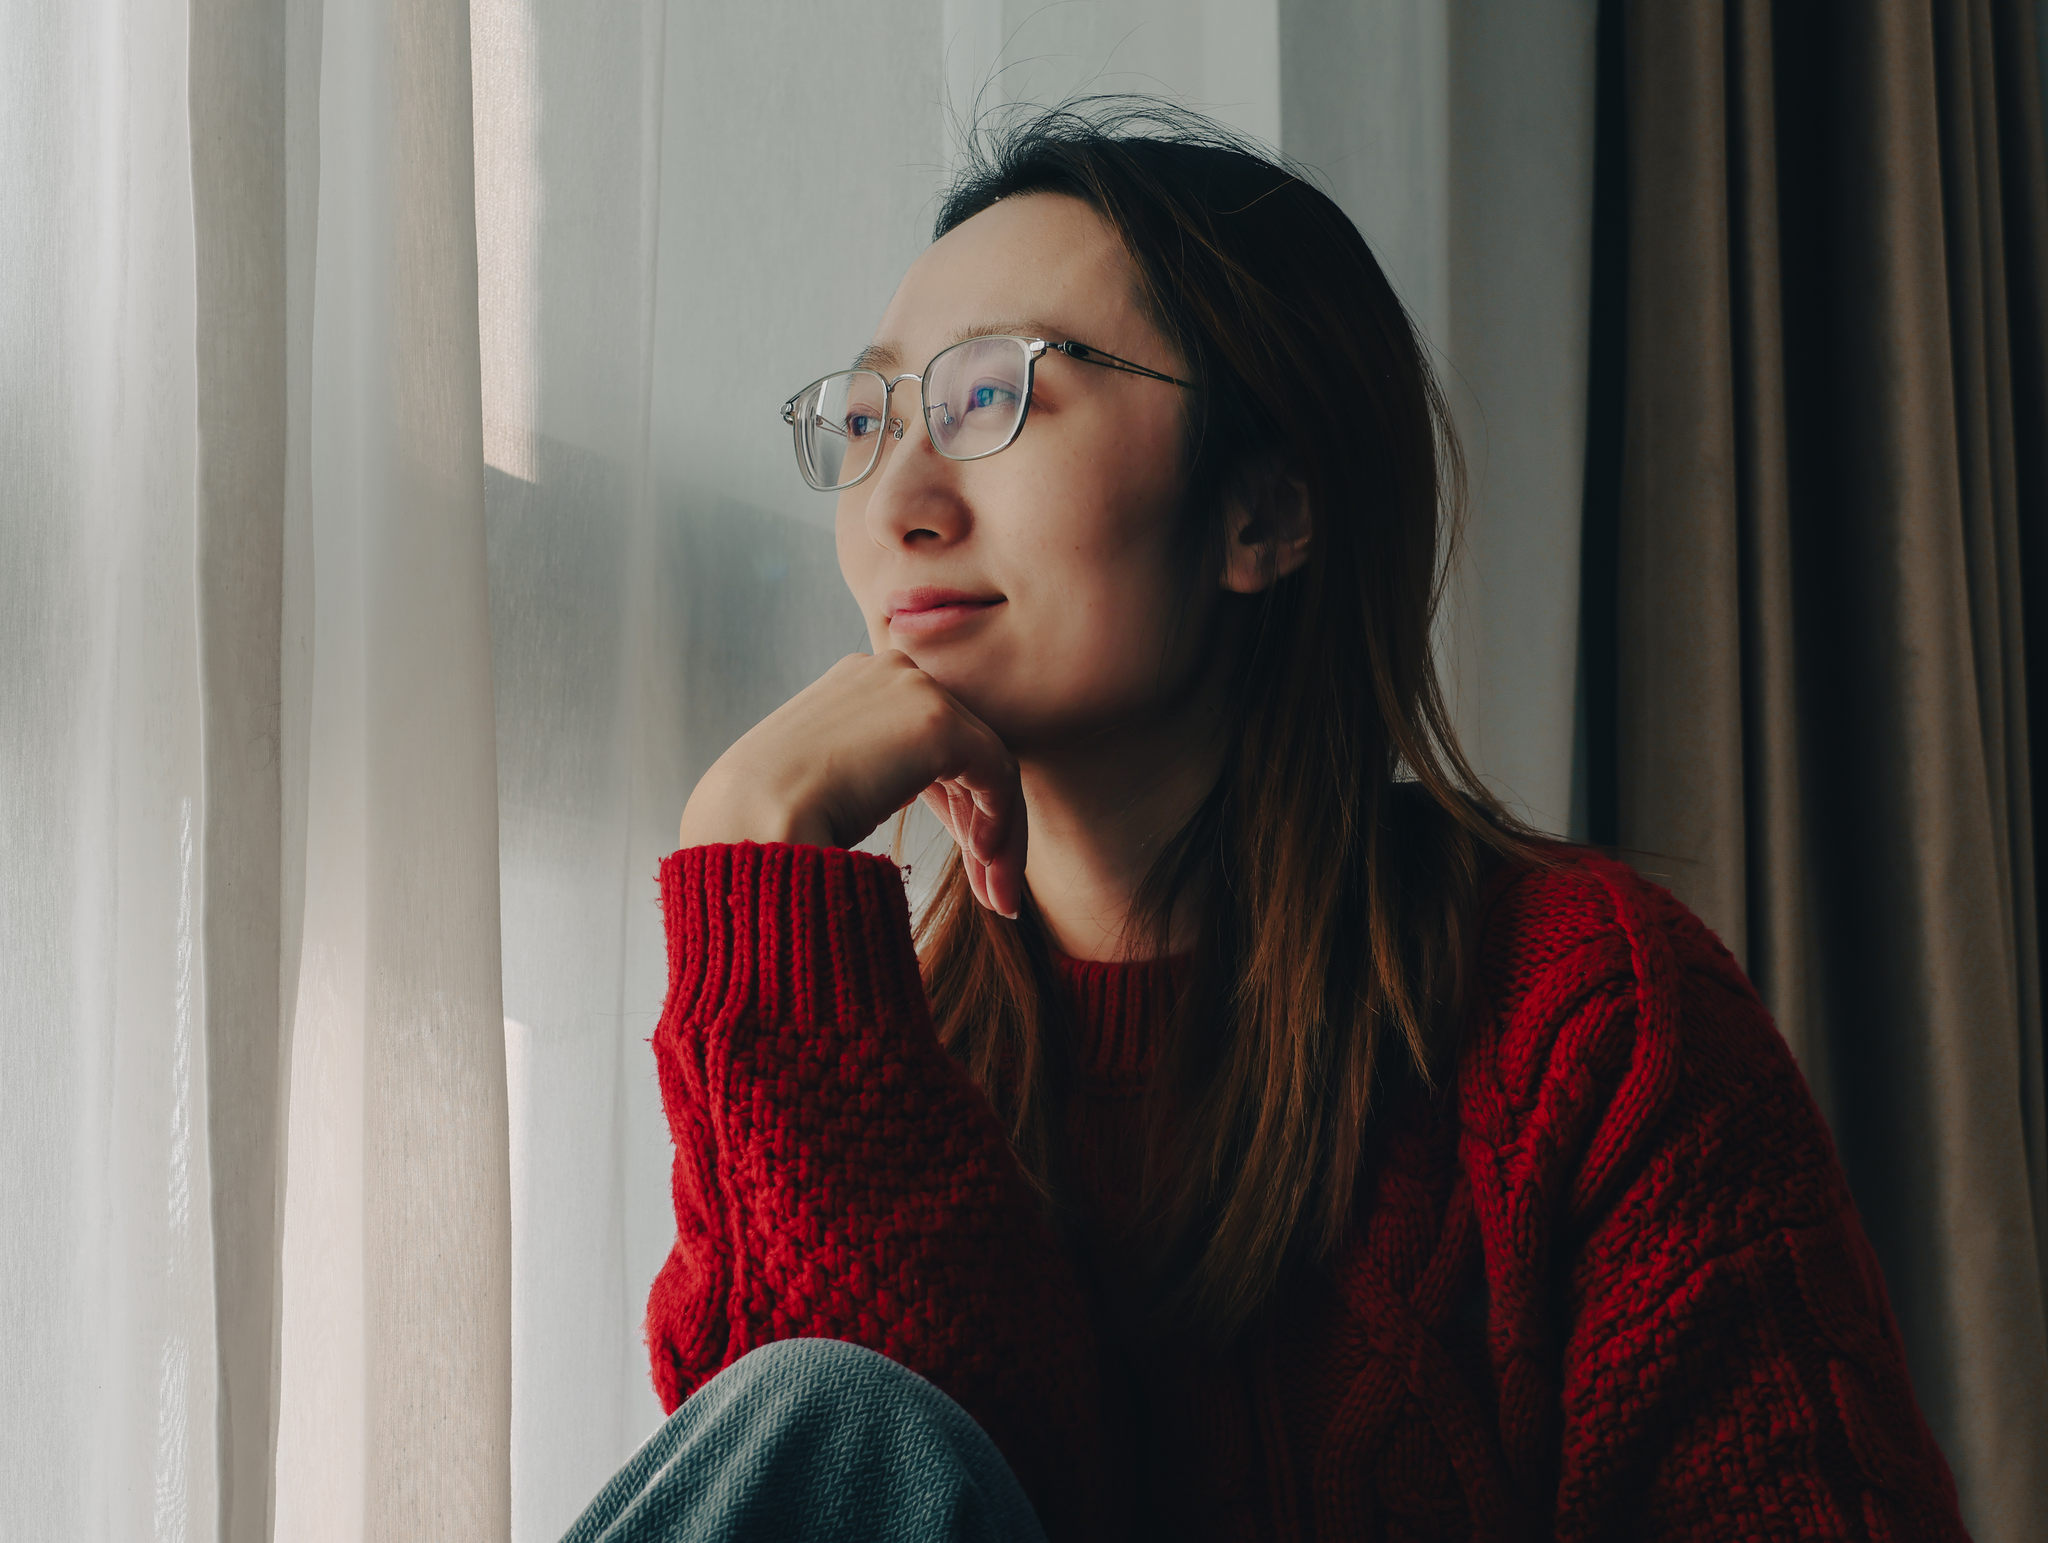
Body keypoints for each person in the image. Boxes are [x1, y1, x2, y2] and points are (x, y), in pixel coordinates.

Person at [560, 101, 1970, 1543]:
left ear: (1264, 509)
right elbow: (905, 1495)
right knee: (834, 1416)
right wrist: (757, 857)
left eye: (991, 398)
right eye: (870, 420)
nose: (901, 500)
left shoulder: (1586, 1014)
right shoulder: (852, 1042)